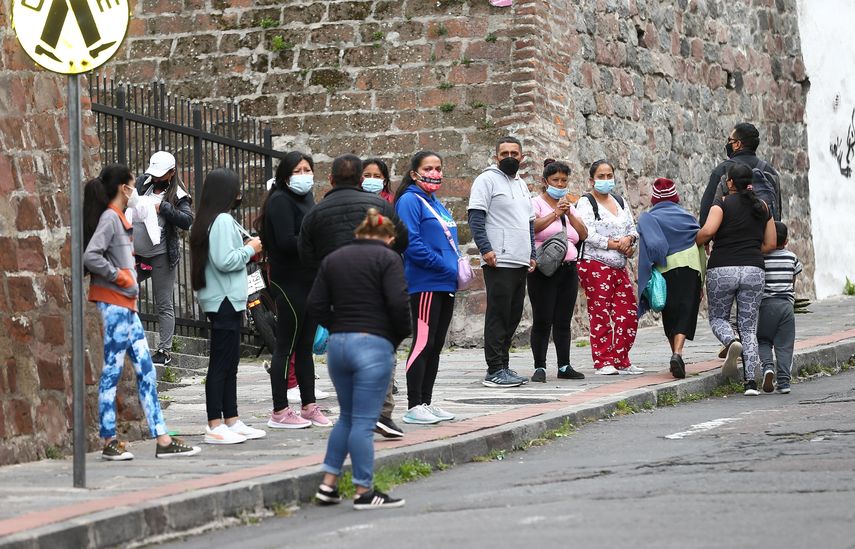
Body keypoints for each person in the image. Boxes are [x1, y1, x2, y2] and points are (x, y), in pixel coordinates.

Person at [83, 163, 201, 460]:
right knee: (112, 371)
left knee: (146, 372)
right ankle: (109, 440)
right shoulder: (111, 218)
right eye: (133, 184)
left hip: (126, 306)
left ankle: (162, 438)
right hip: (116, 304)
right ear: (124, 188)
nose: (137, 188)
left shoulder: (119, 218)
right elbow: (91, 256)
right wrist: (120, 276)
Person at [299, 154, 409, 438]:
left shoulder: (317, 212)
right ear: (361, 179)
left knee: (346, 353)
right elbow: (403, 239)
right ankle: (381, 412)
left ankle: (354, 413)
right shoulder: (379, 206)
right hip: (376, 285)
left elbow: (306, 255)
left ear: (331, 180)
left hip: (337, 291)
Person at [309, 208, 411, 509]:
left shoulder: (333, 259)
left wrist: (337, 326)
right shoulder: (388, 258)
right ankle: (363, 491)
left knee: (348, 417)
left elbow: (315, 305)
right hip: (373, 344)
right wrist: (392, 338)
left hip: (338, 345)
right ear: (389, 238)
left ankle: (328, 485)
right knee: (365, 423)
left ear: (358, 234)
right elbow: (398, 303)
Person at [189, 168, 268, 444]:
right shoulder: (221, 220)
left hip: (223, 298)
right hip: (224, 299)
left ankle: (231, 419)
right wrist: (251, 249)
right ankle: (215, 423)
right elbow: (225, 260)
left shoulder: (213, 219)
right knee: (222, 362)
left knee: (230, 361)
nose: (240, 193)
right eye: (236, 187)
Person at [255, 152, 331, 430]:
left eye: (307, 169)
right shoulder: (279, 201)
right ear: (286, 175)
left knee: (305, 346)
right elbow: (286, 242)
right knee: (285, 347)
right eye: (298, 170)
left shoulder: (307, 198)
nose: (304, 174)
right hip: (289, 282)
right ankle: (279, 410)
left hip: (309, 279)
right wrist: (318, 241)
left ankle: (309, 405)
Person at [696, 163, 777, 395]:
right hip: (753, 269)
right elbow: (770, 243)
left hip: (722, 268)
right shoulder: (762, 206)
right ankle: (751, 382)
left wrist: (696, 240)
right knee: (749, 328)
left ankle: (731, 342)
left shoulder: (721, 203)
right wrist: (750, 249)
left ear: (729, 182)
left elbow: (708, 231)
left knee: (718, 318)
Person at [394, 151, 458, 424]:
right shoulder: (410, 200)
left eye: (438, 168)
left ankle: (426, 401)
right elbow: (411, 243)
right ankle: (413, 404)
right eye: (429, 168)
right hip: (425, 282)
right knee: (423, 342)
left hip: (445, 283)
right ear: (414, 173)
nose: (435, 173)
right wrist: (444, 266)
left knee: (436, 344)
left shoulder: (434, 202)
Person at [467, 136, 536, 388]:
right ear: (496, 157)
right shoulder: (486, 180)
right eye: (504, 153)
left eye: (514, 153)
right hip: (499, 259)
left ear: (522, 157)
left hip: (519, 260)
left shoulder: (521, 185)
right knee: (498, 315)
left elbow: (529, 222)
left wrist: (532, 254)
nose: (509, 157)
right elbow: (475, 217)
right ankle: (494, 369)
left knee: (513, 316)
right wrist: (485, 249)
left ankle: (504, 366)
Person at [575, 160, 642, 375]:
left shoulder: (620, 201)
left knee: (628, 310)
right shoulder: (586, 203)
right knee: (600, 312)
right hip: (595, 263)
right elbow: (587, 233)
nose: (605, 180)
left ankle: (621, 358)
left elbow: (632, 228)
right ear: (592, 180)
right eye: (601, 176)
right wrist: (614, 244)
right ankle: (603, 360)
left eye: (609, 175)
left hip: (619, 265)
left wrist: (629, 241)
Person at [636, 178, 706, 379]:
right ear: (676, 197)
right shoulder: (688, 217)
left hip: (666, 268)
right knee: (686, 310)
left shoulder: (650, 218)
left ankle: (674, 355)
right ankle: (678, 353)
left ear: (654, 199)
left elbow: (650, 249)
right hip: (690, 266)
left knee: (670, 311)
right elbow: (699, 245)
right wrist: (701, 279)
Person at [528, 159, 588, 383]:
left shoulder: (569, 206)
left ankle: (564, 365)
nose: (560, 184)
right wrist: (554, 214)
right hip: (543, 270)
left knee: (563, 319)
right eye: (555, 180)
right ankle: (540, 367)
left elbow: (583, 234)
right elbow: (532, 227)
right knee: (543, 318)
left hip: (568, 268)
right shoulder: (536, 203)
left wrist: (569, 214)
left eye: (564, 180)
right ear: (545, 181)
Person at [133, 151, 193, 366]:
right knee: (124, 289)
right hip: (137, 253)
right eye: (155, 174)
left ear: (171, 172)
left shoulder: (178, 193)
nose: (157, 178)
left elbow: (187, 220)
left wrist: (163, 207)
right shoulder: (143, 183)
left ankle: (164, 351)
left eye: (161, 175)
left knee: (164, 303)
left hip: (161, 256)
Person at [699, 122, 781, 226]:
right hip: (762, 238)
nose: (728, 144)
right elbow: (777, 212)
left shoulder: (723, 170)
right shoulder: (771, 172)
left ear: (738, 144)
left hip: (731, 238)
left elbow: (706, 210)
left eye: (730, 140)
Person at [757, 222, 802, 394]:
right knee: (784, 345)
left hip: (766, 305)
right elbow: (793, 282)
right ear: (786, 241)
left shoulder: (761, 257)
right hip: (786, 306)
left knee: (763, 340)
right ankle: (784, 382)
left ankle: (768, 367)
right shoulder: (791, 257)